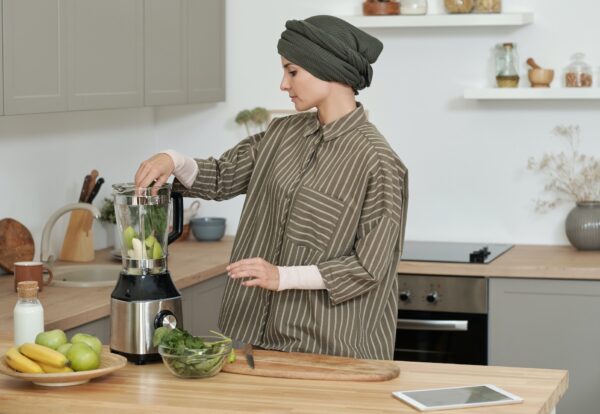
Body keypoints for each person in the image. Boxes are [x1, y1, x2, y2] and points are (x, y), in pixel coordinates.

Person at [134, 15, 408, 360]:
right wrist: (172, 159)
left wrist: (281, 276)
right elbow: (222, 176)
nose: (283, 84)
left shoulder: (378, 161)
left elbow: (370, 267)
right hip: (250, 335)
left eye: (292, 71)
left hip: (329, 348)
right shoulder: (282, 134)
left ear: (329, 69)